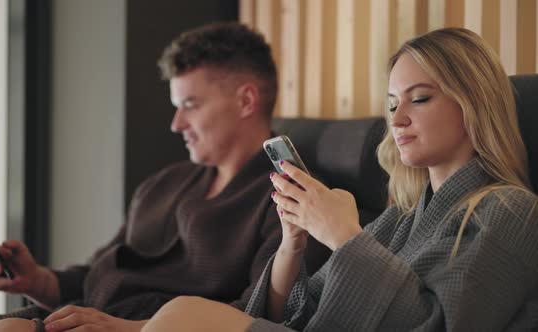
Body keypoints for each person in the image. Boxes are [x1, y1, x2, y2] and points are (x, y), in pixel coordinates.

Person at [137, 27, 538, 331]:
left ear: (473, 104)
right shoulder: (401, 218)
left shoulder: (511, 211)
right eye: (392, 103)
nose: (397, 119)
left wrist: (344, 235)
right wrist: (292, 246)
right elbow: (292, 313)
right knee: (182, 313)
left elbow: (438, 324)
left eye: (419, 98)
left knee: (183, 316)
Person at [0, 22, 285, 332]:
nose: (176, 124)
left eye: (190, 104)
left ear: (246, 100)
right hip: (72, 318)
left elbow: (252, 319)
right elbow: (97, 276)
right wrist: (35, 280)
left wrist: (122, 328)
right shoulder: (164, 184)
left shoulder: (287, 201)